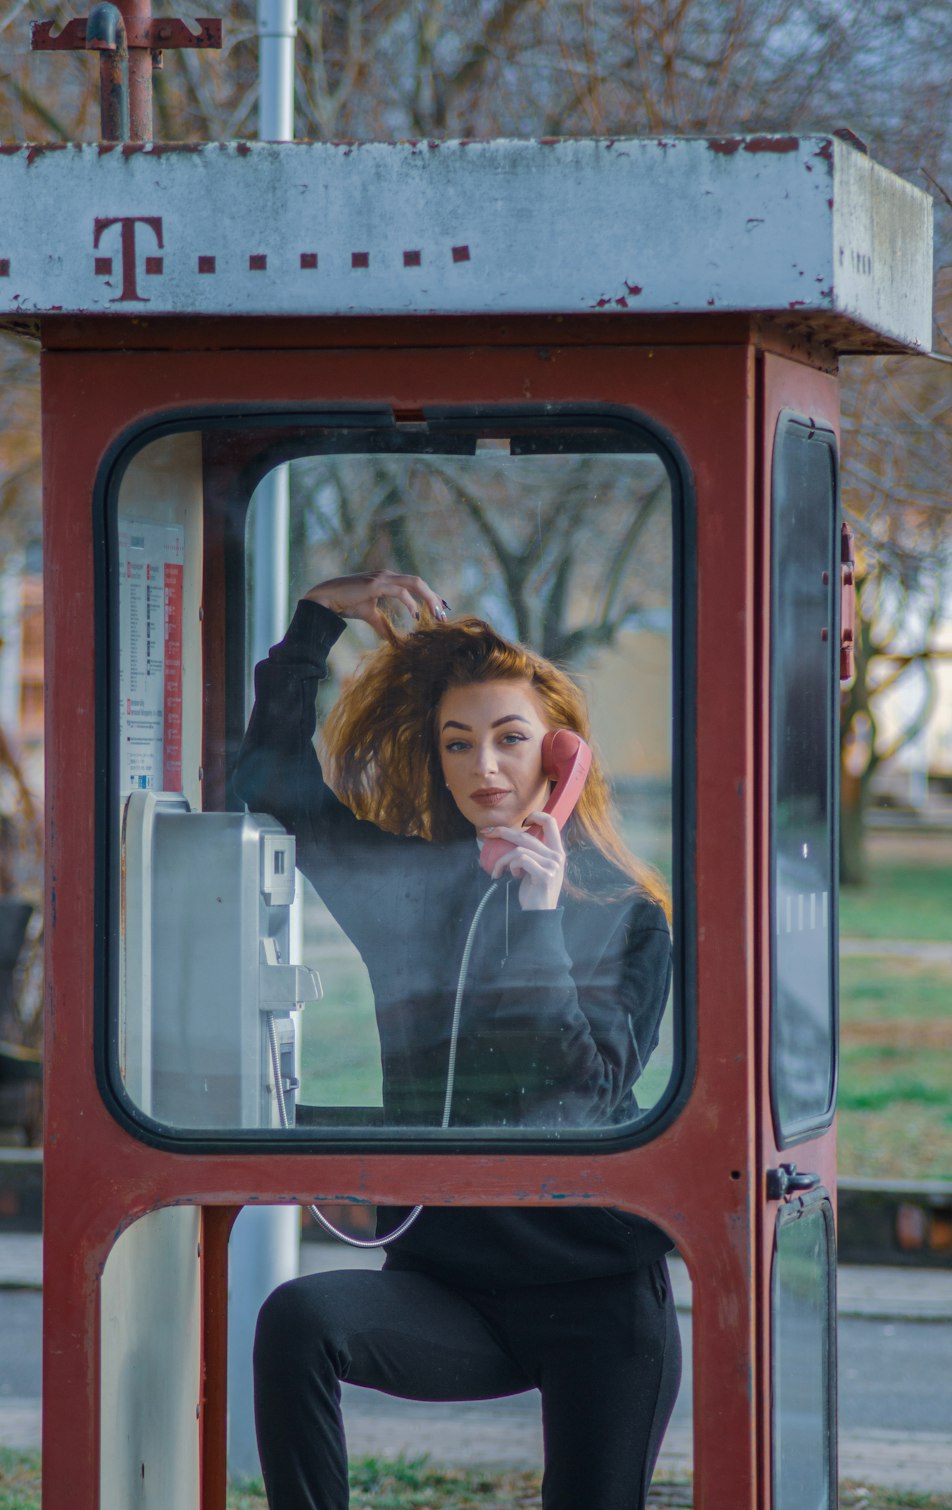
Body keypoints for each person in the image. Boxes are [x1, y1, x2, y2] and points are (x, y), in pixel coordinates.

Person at [234, 569, 681, 1510]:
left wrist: (539, 916)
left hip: (598, 1296)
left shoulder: (628, 918)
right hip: (451, 1284)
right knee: (300, 1318)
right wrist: (315, 622)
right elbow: (275, 788)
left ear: (562, 759)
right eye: (459, 744)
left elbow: (589, 1095)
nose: (486, 769)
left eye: (512, 741)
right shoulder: (407, 891)